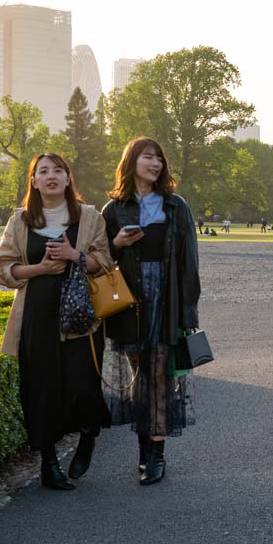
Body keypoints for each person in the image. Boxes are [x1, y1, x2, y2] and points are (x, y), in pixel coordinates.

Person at [0, 152, 114, 490]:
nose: (51, 176)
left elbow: (105, 261)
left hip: (81, 318)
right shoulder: (20, 220)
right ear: (33, 181)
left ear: (68, 178)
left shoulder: (88, 217)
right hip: (36, 318)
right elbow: (2, 267)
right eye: (43, 171)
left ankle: (88, 436)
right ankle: (48, 464)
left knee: (84, 388)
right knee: (41, 392)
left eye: (58, 170)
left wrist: (75, 256)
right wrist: (40, 269)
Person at [102, 137, 202, 486]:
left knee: (161, 375)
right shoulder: (113, 210)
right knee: (139, 377)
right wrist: (116, 244)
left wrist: (189, 314)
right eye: (148, 157)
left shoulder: (176, 206)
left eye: (159, 158)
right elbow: (99, 261)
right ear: (132, 162)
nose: (156, 163)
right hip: (131, 303)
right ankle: (144, 448)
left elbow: (189, 262)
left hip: (168, 298)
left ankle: (157, 455)